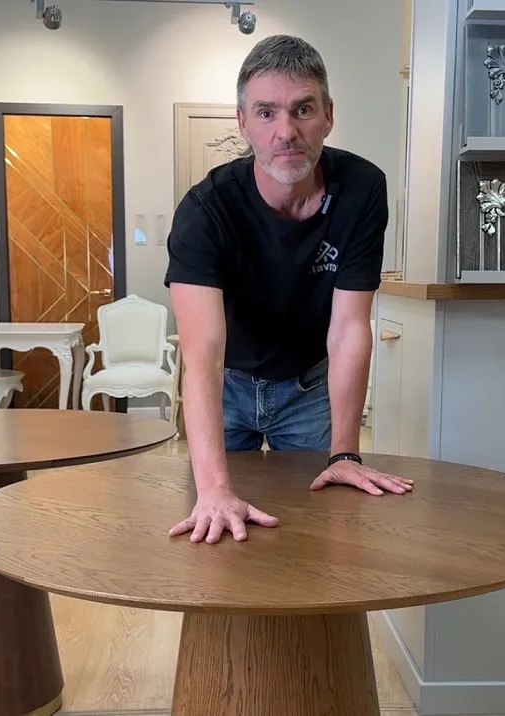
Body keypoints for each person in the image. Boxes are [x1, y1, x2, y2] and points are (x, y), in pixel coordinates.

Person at [164, 34, 414, 545]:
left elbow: (348, 329)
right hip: (228, 385)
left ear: (328, 115)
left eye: (303, 109)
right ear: (242, 122)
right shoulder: (205, 211)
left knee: (317, 535)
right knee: (217, 533)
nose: (286, 132)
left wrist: (345, 453)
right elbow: (203, 354)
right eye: (266, 113)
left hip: (307, 388)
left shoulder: (362, 189)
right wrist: (213, 489)